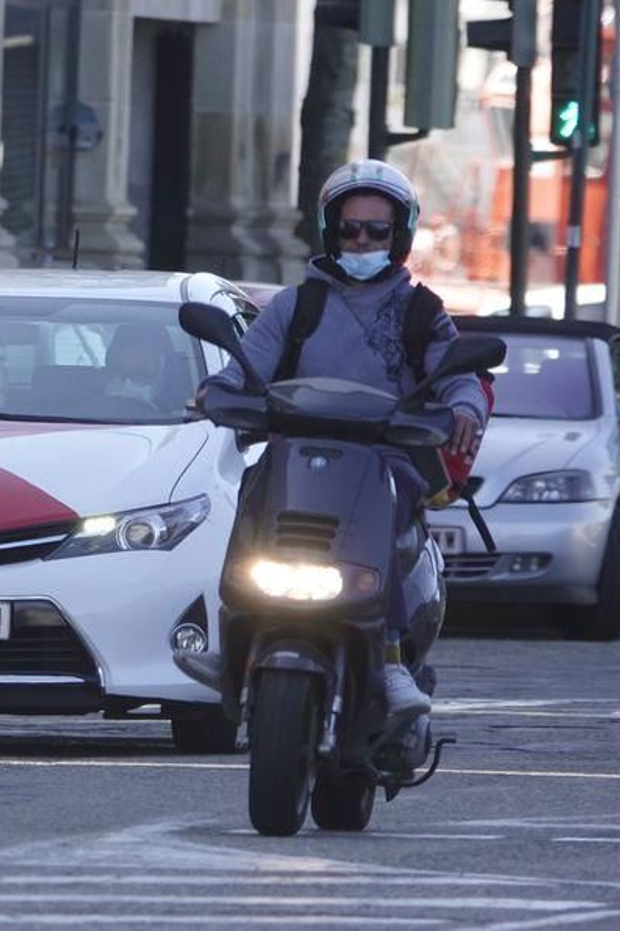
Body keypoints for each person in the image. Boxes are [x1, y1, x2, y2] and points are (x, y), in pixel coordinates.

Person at [202, 159, 488, 717]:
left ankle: (388, 659)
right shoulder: (295, 305)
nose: (362, 240)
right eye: (350, 228)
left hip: (386, 457)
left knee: (387, 503)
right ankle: (232, 634)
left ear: (399, 237)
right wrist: (213, 390)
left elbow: (459, 375)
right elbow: (243, 368)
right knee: (251, 486)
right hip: (297, 451)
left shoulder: (421, 311)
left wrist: (464, 407)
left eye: (377, 231)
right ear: (330, 231)